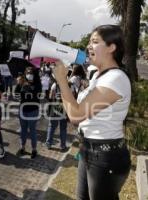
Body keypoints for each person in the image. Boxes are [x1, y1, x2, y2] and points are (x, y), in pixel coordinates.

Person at [52, 25, 131, 200]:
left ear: (112, 47)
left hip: (105, 157)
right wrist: (61, 81)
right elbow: (74, 108)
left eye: (95, 42)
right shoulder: (98, 76)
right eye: (89, 42)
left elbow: (76, 115)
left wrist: (62, 81)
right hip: (88, 151)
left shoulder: (115, 79)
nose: (88, 46)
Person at [17, 67, 42, 159]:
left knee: (32, 131)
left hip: (33, 111)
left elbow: (37, 96)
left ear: (34, 74)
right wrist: (19, 84)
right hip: (22, 110)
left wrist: (29, 87)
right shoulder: (22, 82)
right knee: (23, 130)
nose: (29, 75)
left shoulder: (38, 84)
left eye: (31, 73)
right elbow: (16, 94)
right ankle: (22, 147)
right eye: (27, 73)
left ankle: (34, 149)